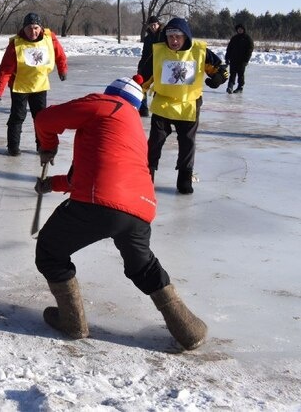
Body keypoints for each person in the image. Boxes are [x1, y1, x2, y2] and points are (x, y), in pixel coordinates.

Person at [33, 75, 207, 351]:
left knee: (49, 251)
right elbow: (94, 174)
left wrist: (48, 145)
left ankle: (72, 320)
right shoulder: (131, 129)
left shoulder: (107, 104)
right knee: (143, 267)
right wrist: (51, 184)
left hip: (98, 203)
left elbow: (45, 119)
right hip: (140, 208)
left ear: (111, 92)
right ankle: (188, 328)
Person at [139, 17, 226, 194]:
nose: (174, 41)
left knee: (187, 142)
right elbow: (144, 77)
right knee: (155, 141)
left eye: (178, 36)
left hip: (189, 103)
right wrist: (135, 94)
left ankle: (185, 178)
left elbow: (220, 68)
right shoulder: (158, 52)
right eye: (170, 37)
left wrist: (218, 78)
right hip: (163, 103)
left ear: (186, 36)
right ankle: (147, 175)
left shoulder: (200, 51)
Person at [0, 12, 67, 156]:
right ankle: (13, 147)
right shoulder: (16, 44)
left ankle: (41, 145)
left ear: (41, 28)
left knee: (40, 118)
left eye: (36, 28)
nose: (33, 31)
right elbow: (5, 70)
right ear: (24, 29)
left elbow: (60, 55)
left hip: (40, 85)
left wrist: (62, 69)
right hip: (20, 86)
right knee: (17, 117)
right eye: (29, 28)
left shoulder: (49, 38)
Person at [137, 15, 162, 117]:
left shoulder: (164, 36)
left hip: (161, 66)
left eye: (155, 25)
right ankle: (143, 110)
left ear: (158, 24)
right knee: (142, 87)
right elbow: (144, 54)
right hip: (149, 66)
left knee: (159, 89)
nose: (153, 27)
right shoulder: (147, 39)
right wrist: (140, 66)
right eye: (151, 25)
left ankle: (159, 111)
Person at [225, 23, 254, 94]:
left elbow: (250, 50)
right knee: (232, 73)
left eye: (241, 29)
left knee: (240, 74)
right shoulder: (234, 38)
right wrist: (227, 57)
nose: (240, 30)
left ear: (244, 30)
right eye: (238, 29)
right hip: (233, 59)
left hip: (242, 60)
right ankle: (230, 87)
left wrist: (246, 60)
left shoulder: (247, 39)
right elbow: (229, 48)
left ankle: (240, 87)